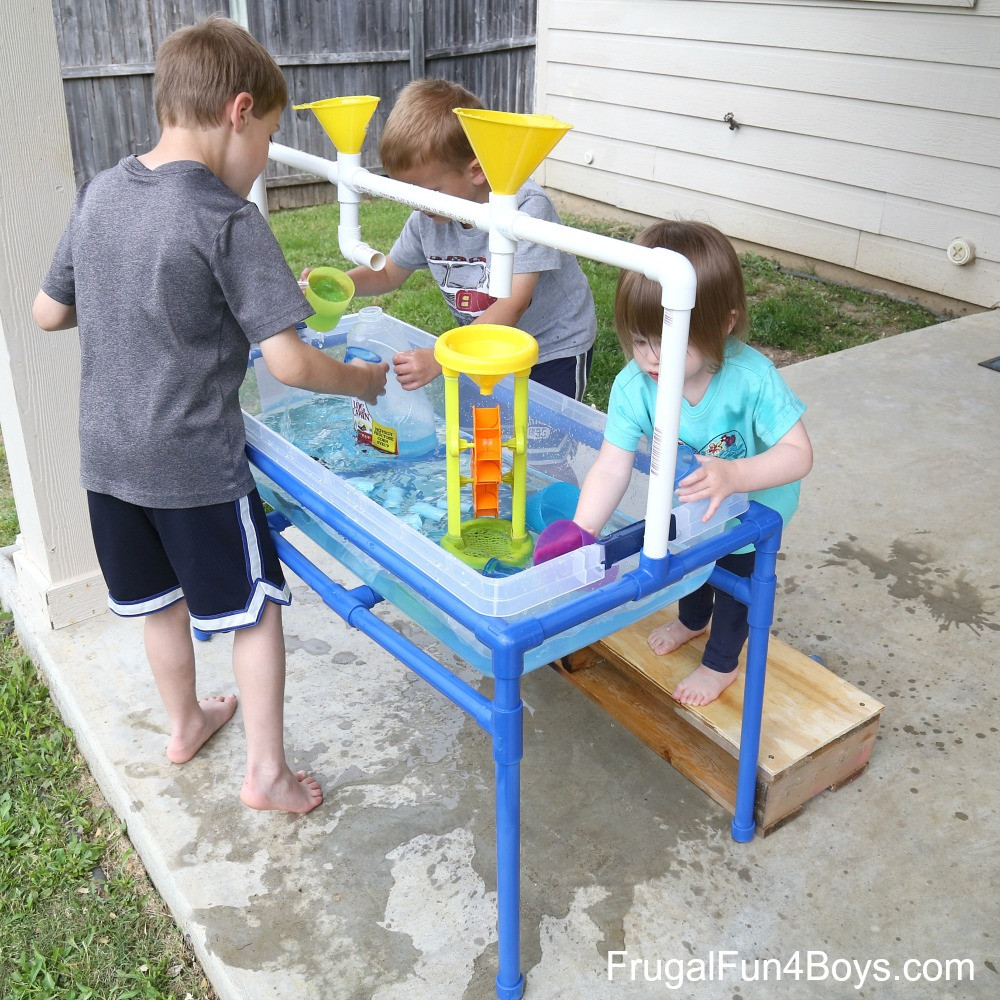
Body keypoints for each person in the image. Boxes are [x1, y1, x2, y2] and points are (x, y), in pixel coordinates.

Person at [31, 17, 387, 814]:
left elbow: (47, 313)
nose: (261, 157)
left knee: (160, 602)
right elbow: (291, 360)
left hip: (108, 455)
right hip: (193, 462)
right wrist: (362, 381)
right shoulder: (227, 219)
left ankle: (185, 723)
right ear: (237, 110)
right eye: (265, 136)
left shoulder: (100, 194)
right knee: (253, 610)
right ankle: (266, 773)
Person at [571, 220, 813, 706]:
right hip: (689, 497)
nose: (652, 357)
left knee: (736, 583)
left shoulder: (752, 379)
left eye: (672, 339)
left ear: (723, 325)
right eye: (640, 340)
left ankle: (720, 662)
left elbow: (798, 454)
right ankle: (690, 620)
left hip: (754, 504)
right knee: (686, 559)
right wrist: (582, 534)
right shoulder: (633, 386)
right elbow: (612, 467)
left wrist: (736, 475)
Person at [326, 78, 597, 402]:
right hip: (480, 345)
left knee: (543, 439)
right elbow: (388, 273)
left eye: (430, 192)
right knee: (484, 432)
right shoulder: (427, 219)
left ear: (477, 170)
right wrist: (339, 286)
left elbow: (513, 304)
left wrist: (442, 356)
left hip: (551, 348)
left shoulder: (526, 209)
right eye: (409, 192)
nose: (417, 204)